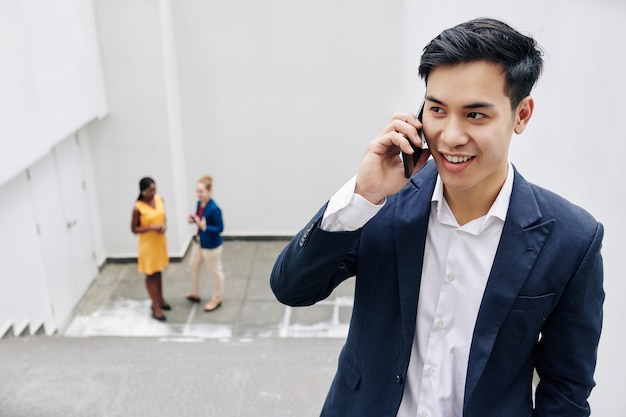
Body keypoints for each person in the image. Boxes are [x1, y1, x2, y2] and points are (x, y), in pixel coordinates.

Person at [270, 18, 604, 417]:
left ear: (522, 115)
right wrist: (363, 195)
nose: (449, 135)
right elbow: (292, 288)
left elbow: (566, 390)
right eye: (437, 110)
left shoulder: (572, 239)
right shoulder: (383, 203)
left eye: (475, 115)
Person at [131, 177, 170, 321]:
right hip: (148, 245)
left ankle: (161, 298)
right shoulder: (138, 207)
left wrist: (164, 225)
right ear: (143, 191)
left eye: (154, 189)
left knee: (159, 271)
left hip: (159, 242)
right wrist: (151, 227)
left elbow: (163, 216)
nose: (153, 192)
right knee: (150, 274)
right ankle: (155, 306)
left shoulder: (159, 199)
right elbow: (134, 228)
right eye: (150, 190)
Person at [185, 175, 225, 312]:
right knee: (193, 266)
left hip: (211, 247)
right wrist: (194, 220)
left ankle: (217, 298)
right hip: (200, 243)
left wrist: (205, 228)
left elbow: (220, 228)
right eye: (197, 191)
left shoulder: (214, 209)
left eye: (201, 191)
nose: (198, 194)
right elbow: (201, 220)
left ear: (209, 191)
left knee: (215, 273)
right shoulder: (199, 204)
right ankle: (195, 293)